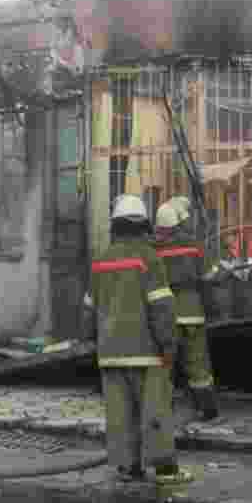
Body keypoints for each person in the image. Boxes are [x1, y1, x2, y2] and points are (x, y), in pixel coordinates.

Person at [82, 194, 193, 485]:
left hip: (110, 352)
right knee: (155, 410)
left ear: (115, 226)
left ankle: (128, 467)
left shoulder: (100, 261)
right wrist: (169, 344)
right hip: (147, 352)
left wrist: (93, 342)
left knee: (120, 415)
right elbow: (161, 307)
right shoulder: (149, 258)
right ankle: (166, 470)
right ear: (143, 225)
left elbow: (88, 309)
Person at [154, 196, 219, 421]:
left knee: (165, 364)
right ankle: (207, 409)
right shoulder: (193, 245)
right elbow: (210, 276)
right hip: (192, 313)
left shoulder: (153, 249)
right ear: (180, 222)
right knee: (198, 363)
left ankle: (162, 410)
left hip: (165, 315)